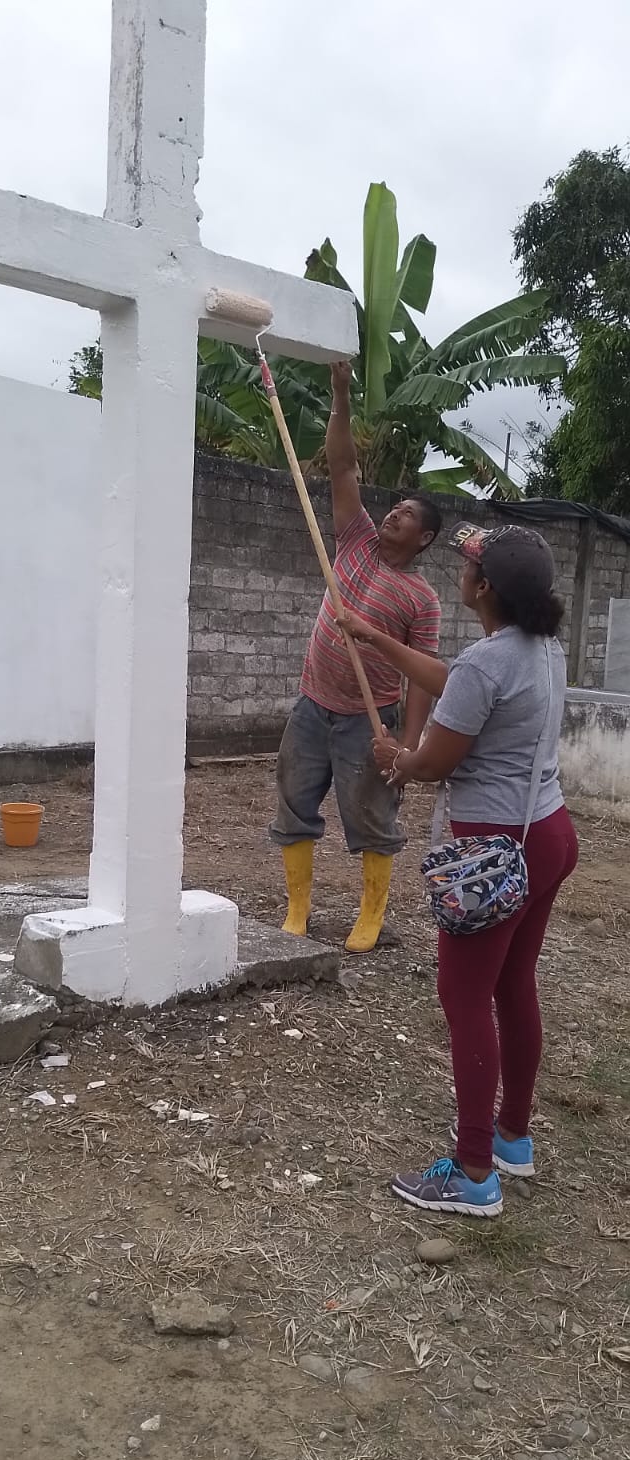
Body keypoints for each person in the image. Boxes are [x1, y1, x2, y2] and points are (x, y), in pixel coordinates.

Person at [343, 521, 578, 1216]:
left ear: (484, 588)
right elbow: (458, 683)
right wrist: (378, 638)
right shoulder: (542, 649)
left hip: (490, 852)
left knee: (465, 996)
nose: (463, 572)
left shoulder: (487, 662)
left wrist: (397, 758)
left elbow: (433, 763)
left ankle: (474, 1174)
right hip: (547, 833)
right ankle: (511, 1138)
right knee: (512, 985)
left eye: (470, 566)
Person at [270, 361, 442, 953]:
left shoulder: (421, 598)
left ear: (423, 539)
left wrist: (407, 748)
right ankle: (298, 911)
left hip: (368, 722)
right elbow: (343, 466)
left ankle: (370, 917)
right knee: (293, 803)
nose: (394, 514)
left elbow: (422, 679)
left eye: (408, 515)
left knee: (371, 817)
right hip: (311, 705)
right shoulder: (355, 539)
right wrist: (340, 393)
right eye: (396, 507)